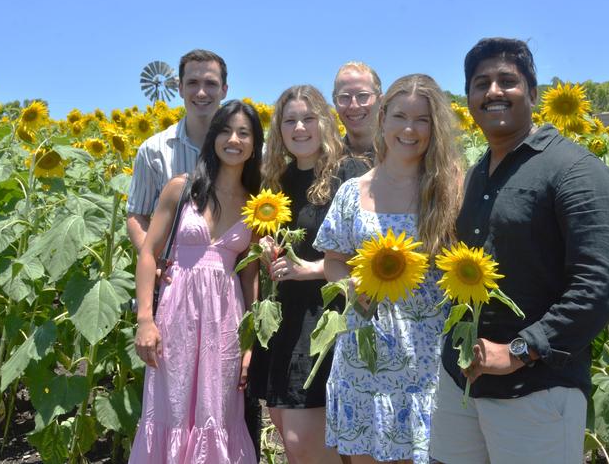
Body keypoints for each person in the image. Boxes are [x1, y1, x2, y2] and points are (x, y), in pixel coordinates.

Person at [429, 38, 609, 464]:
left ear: (533, 94)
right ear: (470, 99)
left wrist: (520, 349)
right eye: (481, 84)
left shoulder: (575, 170)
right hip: (461, 383)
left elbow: (601, 284)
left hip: (536, 390)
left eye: (507, 81)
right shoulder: (477, 174)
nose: (493, 91)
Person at [314, 74, 463, 463]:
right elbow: (333, 260)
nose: (409, 129)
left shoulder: (450, 189)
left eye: (423, 120)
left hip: (427, 357)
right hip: (366, 352)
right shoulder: (353, 192)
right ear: (383, 119)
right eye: (400, 116)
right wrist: (350, 288)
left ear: (436, 128)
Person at [126, 49, 262, 458]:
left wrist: (251, 341)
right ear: (213, 138)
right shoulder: (180, 185)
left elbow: (249, 273)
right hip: (177, 313)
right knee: (170, 406)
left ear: (256, 145)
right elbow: (147, 251)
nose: (233, 140)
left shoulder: (258, 204)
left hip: (225, 317)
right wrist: (145, 318)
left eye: (244, 134)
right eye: (226, 132)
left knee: (218, 412)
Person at [248, 85, 367, 464]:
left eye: (308, 118)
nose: (300, 128)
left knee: (306, 443)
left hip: (328, 317)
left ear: (324, 123)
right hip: (286, 317)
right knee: (287, 430)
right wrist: (269, 250)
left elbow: (371, 255)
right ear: (279, 130)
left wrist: (310, 269)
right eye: (290, 120)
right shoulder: (276, 180)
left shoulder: (349, 174)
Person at [127, 49, 228, 252]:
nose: (201, 92)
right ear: (180, 88)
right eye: (192, 83)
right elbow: (137, 215)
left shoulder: (247, 150)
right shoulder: (153, 150)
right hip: (171, 278)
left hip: (228, 277)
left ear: (224, 90)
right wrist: (153, 260)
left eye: (211, 83)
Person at [332, 61, 382, 163]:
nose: (354, 106)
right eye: (345, 97)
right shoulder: (326, 163)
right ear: (335, 103)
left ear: (380, 101)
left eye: (363, 95)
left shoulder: (404, 154)